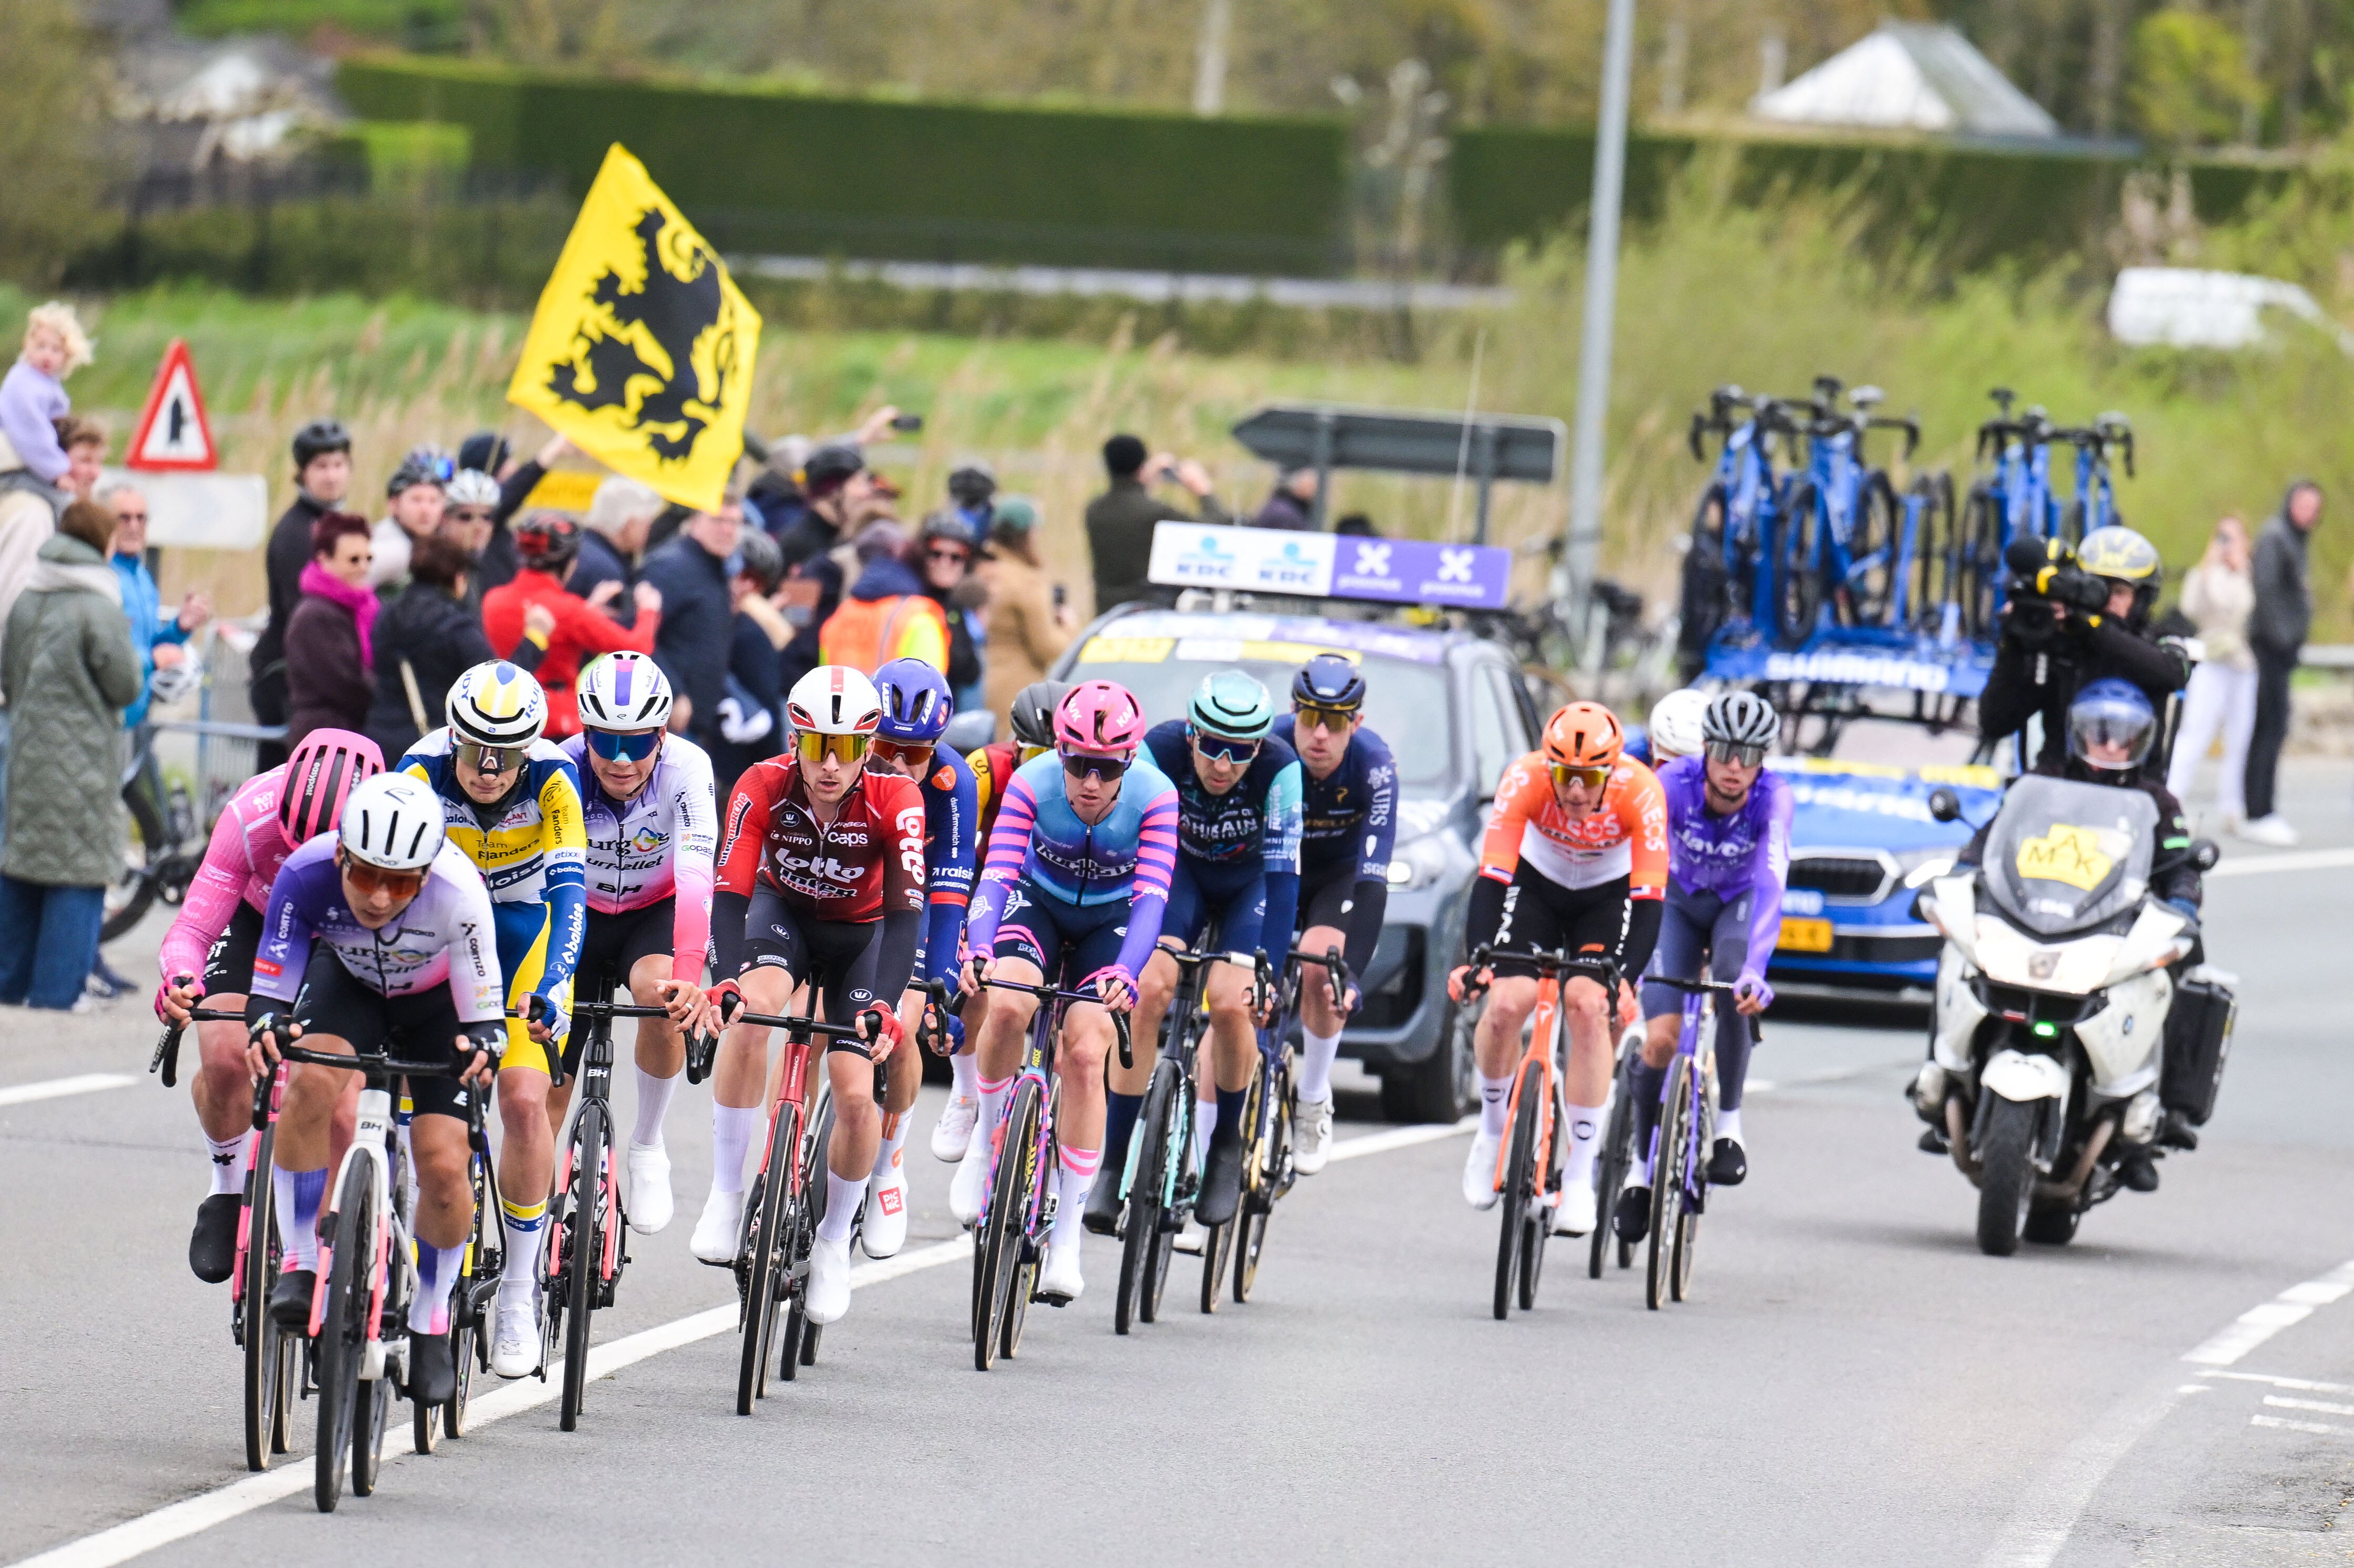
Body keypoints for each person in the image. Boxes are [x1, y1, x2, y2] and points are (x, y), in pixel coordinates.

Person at [243, 771, 506, 1406]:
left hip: (438, 1006)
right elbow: (271, 989)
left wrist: (486, 1050)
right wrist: (266, 1024)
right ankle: (302, 1259)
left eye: (401, 883)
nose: (382, 897)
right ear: (341, 855)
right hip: (350, 986)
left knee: (445, 1162)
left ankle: (433, 1319)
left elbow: (483, 1015)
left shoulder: (458, 890)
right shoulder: (304, 873)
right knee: (305, 1080)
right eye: (365, 877)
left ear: (426, 873)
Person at [691, 666, 927, 1329]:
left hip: (862, 933)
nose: (829, 764)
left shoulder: (897, 797)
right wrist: (728, 977)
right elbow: (732, 892)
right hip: (782, 917)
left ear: (869, 746)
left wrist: (884, 1003)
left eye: (847, 748)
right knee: (750, 1019)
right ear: (794, 738)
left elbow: (907, 916)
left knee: (856, 1092)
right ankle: (728, 1192)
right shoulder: (761, 783)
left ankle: (830, 1244)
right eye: (815, 744)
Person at [954, 680, 1179, 1304]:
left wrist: (1128, 971)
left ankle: (1069, 1237)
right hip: (1038, 903)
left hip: (1111, 924)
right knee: (1005, 1001)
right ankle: (988, 1143)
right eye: (1077, 763)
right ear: (1059, 751)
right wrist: (977, 944)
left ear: (1128, 761)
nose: (1089, 781)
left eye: (1105, 769)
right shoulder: (1032, 783)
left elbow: (1152, 900)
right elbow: (997, 871)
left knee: (1084, 1053)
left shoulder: (1157, 796)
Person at [399, 660, 586, 1378]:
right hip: (443, 933)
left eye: (504, 753)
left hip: (524, 937)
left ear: (531, 747)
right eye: (473, 747)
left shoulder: (553, 782)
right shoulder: (418, 771)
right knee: (418, 1101)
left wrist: (559, 981)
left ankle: (517, 1289)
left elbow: (571, 897)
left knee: (522, 1096)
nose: (485, 767)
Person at [1949, 678, 2203, 1191]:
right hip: (2040, 915)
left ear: (2142, 741)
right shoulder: (2042, 780)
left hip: (2114, 923)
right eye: (2099, 732)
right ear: (2076, 733)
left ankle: (2155, 1111)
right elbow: (1993, 838)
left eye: (2122, 736)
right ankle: (1943, 1068)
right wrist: (1964, 868)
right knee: (1956, 951)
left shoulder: (2157, 800)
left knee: (2182, 973)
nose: (2109, 745)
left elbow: (2181, 865)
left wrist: (2182, 901)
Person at [155, 730, 382, 1281]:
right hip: (260, 921)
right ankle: (227, 1185)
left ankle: (334, 1240)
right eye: (293, 842)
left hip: (345, 932)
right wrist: (180, 980)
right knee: (225, 1048)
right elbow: (193, 927)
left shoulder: (389, 825)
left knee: (341, 1101)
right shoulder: (250, 815)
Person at [1450, 702, 1666, 1237]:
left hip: (1606, 893)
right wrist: (1479, 954)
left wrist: (1625, 977)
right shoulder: (1522, 777)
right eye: (1565, 776)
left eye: (1587, 778)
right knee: (1504, 1003)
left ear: (1610, 772)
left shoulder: (1640, 790)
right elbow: (1492, 877)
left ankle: (1579, 1174)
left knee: (1588, 1005)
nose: (1574, 791)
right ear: (1549, 767)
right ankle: (1493, 1128)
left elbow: (1649, 901)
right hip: (1537, 883)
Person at [1107, 672, 1301, 1237]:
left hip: (1250, 889)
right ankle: (1115, 1156)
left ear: (1259, 747)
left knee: (1231, 1000)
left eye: (1239, 751)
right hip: (1180, 875)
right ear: (1190, 734)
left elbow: (1284, 877)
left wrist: (1268, 968)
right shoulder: (1157, 749)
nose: (1222, 763)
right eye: (1211, 744)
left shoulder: (1280, 770)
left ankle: (1223, 1145)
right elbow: (1131, 847)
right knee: (1147, 988)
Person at [1613, 691, 1789, 1242]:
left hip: (1736, 904)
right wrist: (1632, 961)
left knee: (1735, 982)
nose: (1736, 767)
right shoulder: (1671, 784)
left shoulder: (1773, 798)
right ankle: (1639, 1172)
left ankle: (1729, 1127)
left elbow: (1771, 882)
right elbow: (1641, 868)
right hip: (1675, 903)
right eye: (1726, 751)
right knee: (1660, 1041)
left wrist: (1756, 969)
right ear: (1707, 748)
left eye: (1750, 754)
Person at [558, 653, 716, 1237]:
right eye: (605, 740)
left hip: (654, 911)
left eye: (638, 743)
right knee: (548, 1077)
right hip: (577, 911)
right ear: (584, 731)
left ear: (662, 734)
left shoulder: (687, 768)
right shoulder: (560, 767)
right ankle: (540, 1192)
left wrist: (692, 972)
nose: (621, 760)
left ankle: (648, 1141)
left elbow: (700, 873)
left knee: (662, 994)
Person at [0, 499, 141, 1010]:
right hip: (81, 760)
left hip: (25, 753)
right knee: (77, 871)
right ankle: (60, 990)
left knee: (22, 863)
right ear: (101, 541)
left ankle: (10, 982)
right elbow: (125, 684)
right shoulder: (96, 604)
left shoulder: (28, 596)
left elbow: (7, 673)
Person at [860, 658, 977, 1260]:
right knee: (820, 1018)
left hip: (916, 896)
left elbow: (950, 894)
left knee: (902, 1022)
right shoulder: (841, 763)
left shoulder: (954, 783)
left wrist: (941, 987)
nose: (900, 765)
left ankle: (889, 1160)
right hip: (851, 890)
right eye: (885, 747)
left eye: (917, 753)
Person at [1266, 653, 1397, 1174]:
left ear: (1356, 723)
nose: (1320, 733)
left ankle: (1314, 1098)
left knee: (1322, 966)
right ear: (1292, 711)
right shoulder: (1268, 746)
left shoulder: (1375, 764)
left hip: (1335, 876)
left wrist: (1354, 976)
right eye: (1309, 717)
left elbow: (1372, 880)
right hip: (1274, 865)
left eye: (1336, 720)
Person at [933, 677, 1065, 1160]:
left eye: (1058, 758)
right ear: (1016, 746)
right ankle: (968, 1093)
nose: (1047, 772)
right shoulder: (986, 768)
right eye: (1036, 759)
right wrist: (965, 924)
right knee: (976, 978)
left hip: (1059, 893)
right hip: (989, 879)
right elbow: (955, 852)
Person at [1979, 525, 2188, 784]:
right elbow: (1995, 722)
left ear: (2142, 601)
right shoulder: (2061, 644)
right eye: (2097, 589)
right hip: (2058, 789)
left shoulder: (2157, 642)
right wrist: (2014, 644)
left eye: (2119, 593)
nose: (2106, 602)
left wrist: (2092, 628)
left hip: (2134, 796)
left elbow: (2172, 672)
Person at [367, 534, 550, 759]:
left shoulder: (386, 614)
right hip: (430, 745)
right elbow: (499, 684)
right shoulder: (456, 626)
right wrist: (535, 639)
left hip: (379, 738)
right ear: (457, 577)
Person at [482, 511, 664, 738]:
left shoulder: (493, 599)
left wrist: (590, 611)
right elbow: (637, 649)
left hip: (502, 714)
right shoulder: (570, 611)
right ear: (570, 562)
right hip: (555, 723)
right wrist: (649, 610)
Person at [253, 420, 353, 767]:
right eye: (321, 467)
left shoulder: (336, 525)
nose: (331, 476)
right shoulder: (297, 532)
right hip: (286, 676)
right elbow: (308, 618)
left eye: (339, 465)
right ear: (303, 473)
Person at [2242, 481, 2323, 846]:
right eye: (2303, 504)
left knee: (2274, 729)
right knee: (2268, 729)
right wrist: (2282, 640)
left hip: (2281, 650)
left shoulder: (2294, 540)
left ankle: (2261, 809)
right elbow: (2267, 592)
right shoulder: (2276, 537)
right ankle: (2258, 811)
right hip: (2270, 650)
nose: (2308, 512)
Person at [2165, 516, 2259, 830]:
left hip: (2242, 662)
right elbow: (2191, 608)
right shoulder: (2204, 574)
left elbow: (2249, 609)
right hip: (2211, 657)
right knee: (2196, 732)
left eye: (2233, 538)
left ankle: (2233, 806)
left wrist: (2241, 568)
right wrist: (2209, 569)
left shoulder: (2251, 574)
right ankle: (2173, 797)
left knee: (2239, 737)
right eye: (2222, 537)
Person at [101, 481, 210, 730]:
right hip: (106, 716)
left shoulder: (142, 576)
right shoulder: (104, 575)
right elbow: (102, 655)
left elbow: (150, 644)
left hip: (134, 715)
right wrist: (151, 659)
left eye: (141, 518)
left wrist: (180, 628)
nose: (134, 526)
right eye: (124, 518)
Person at [1084, 434, 1230, 615]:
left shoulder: (1094, 511)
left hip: (1108, 615)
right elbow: (1215, 529)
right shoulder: (1156, 514)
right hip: (1147, 614)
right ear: (1142, 466)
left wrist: (1144, 478)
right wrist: (1202, 489)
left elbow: (1129, 503)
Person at [640, 499, 741, 754]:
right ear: (694, 521)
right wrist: (672, 693)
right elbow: (640, 637)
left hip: (698, 718)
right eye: (718, 520)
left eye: (735, 523)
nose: (728, 530)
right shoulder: (670, 567)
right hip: (665, 717)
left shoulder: (715, 568)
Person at [284, 512, 378, 749]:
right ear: (324, 559)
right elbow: (347, 684)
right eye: (354, 560)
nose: (364, 567)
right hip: (325, 739)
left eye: (369, 559)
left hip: (347, 732)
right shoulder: (315, 616)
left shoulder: (361, 608)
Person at [977, 497, 1073, 727]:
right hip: (1015, 691)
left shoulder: (980, 570)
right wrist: (1070, 627)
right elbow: (1048, 647)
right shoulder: (1026, 582)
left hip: (978, 685)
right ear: (1027, 535)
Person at [818, 521, 949, 676]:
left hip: (840, 699)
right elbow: (929, 689)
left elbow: (825, 675)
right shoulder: (918, 616)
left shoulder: (845, 610)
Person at [713, 528, 789, 792]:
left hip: (735, 774)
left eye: (757, 583)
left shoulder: (750, 636)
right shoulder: (702, 621)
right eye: (743, 574)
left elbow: (770, 707)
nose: (746, 586)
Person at [0, 301, 91, 513]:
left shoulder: (47, 385)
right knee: (66, 506)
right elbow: (31, 432)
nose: (47, 355)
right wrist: (58, 471)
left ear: (67, 356)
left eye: (56, 350)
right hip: (12, 469)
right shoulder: (23, 383)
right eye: (41, 346)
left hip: (30, 466)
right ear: (27, 345)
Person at [914, 513, 988, 715]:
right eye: (936, 554)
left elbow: (969, 670)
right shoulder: (911, 602)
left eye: (956, 557)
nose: (945, 562)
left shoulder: (955, 605)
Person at [576, 475, 663, 607]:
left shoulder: (579, 546)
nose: (649, 530)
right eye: (647, 524)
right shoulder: (607, 573)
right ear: (630, 525)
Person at [368, 458, 447, 593]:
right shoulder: (390, 549)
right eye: (416, 500)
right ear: (394, 505)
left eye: (434, 501)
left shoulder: (439, 544)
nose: (425, 509)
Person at [1250, 467, 1319, 531]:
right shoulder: (1284, 513)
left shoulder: (1288, 507)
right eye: (1311, 486)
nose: (1314, 491)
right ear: (1301, 486)